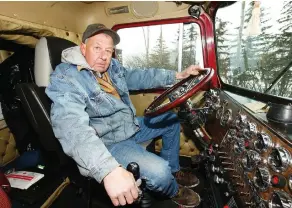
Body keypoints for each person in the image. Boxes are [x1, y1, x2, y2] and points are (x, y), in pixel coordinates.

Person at [46, 23, 203, 207]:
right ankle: (172, 189)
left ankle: (174, 170)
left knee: (171, 120)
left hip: (129, 125)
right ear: (83, 48)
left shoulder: (111, 67)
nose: (104, 56)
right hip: (108, 141)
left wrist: (177, 75)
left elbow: (139, 76)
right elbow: (71, 126)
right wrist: (107, 170)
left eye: (109, 50)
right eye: (97, 48)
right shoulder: (66, 78)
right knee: (160, 172)